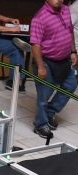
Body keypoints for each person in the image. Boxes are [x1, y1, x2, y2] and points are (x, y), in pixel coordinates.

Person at [30, 0, 78, 140]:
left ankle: (50, 113)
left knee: (70, 85)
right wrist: (40, 66)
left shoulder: (65, 10)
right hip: (46, 61)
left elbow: (69, 31)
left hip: (64, 60)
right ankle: (40, 124)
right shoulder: (40, 18)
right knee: (44, 95)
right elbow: (35, 45)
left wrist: (73, 52)